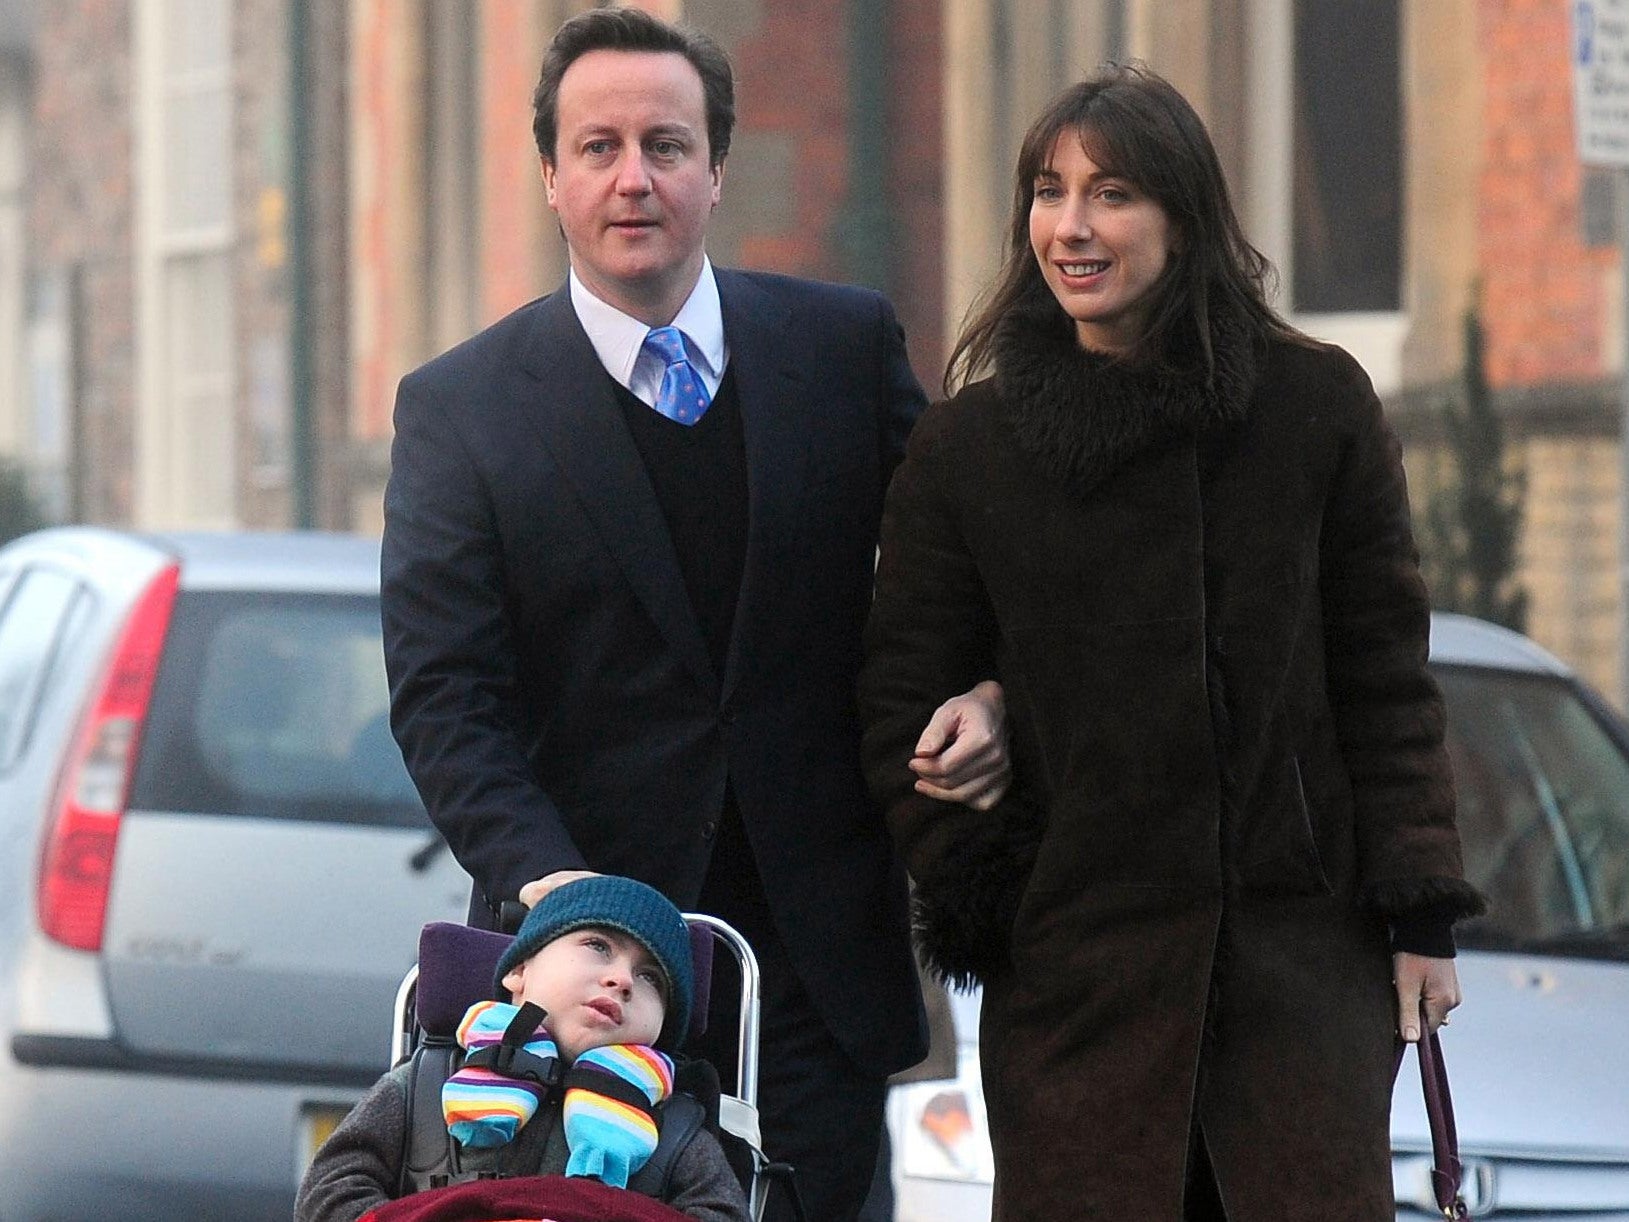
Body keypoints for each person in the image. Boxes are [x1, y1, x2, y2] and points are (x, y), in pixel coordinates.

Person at [379, 10, 1010, 1220]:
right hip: (587, 993)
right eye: (600, 147)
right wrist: (557, 892)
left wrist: (989, 695)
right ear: (551, 177)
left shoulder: (842, 347)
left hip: (818, 969)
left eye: (666, 145)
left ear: (716, 170)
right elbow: (447, 698)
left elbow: (971, 562)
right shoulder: (459, 411)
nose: (635, 178)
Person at [858, 65, 1486, 1221]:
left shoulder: (1316, 408)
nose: (1073, 226)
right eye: (1050, 193)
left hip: (1299, 975)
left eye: (1113, 194)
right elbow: (903, 702)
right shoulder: (970, 450)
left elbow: (1382, 674)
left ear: (1185, 218)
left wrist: (1420, 915)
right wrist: (999, 890)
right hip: (1078, 995)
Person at [295, 875, 748, 1222]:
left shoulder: (673, 1129)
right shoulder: (426, 1085)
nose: (623, 979)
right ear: (519, 973)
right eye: (597, 946)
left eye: (651, 977)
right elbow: (328, 1192)